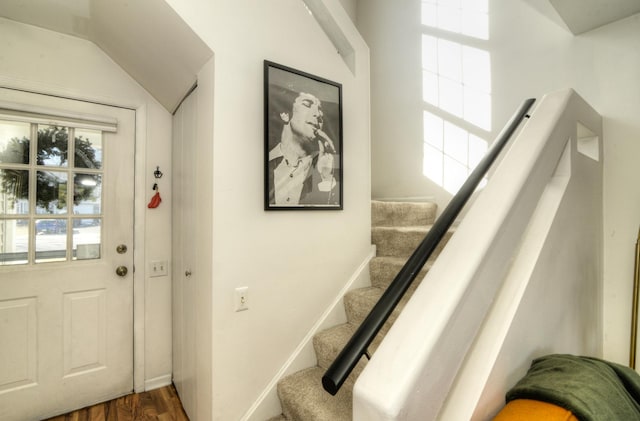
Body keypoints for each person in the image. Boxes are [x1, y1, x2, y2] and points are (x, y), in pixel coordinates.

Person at [267, 91, 339, 206]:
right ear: (285, 114)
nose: (318, 114)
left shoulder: (322, 169)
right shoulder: (260, 163)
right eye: (306, 104)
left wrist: (326, 177)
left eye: (320, 110)